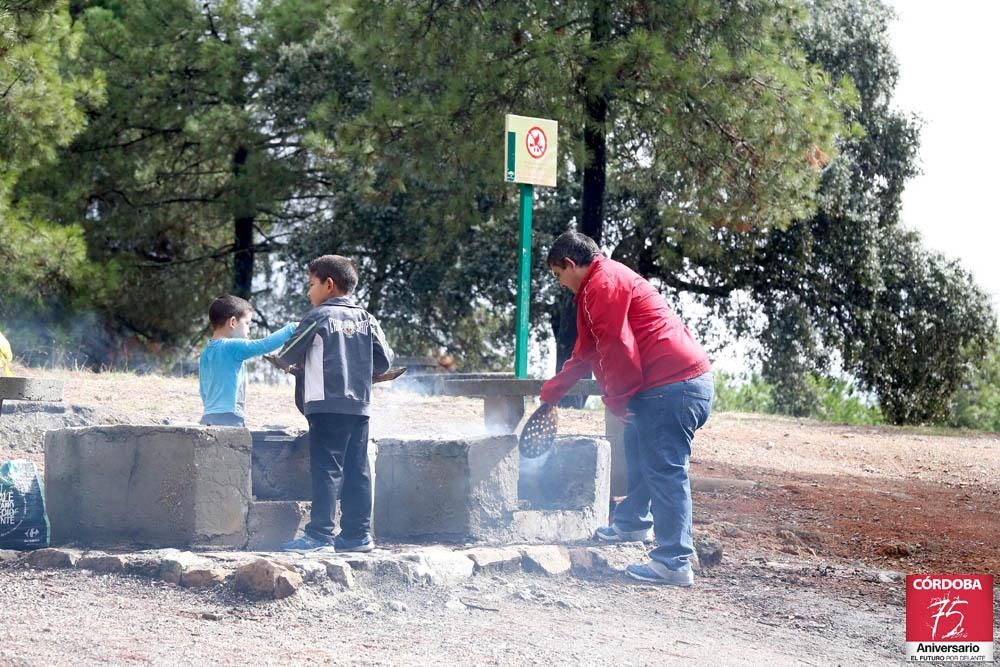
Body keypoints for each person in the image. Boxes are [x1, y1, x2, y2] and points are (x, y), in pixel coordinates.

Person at [540, 231, 714, 586]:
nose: (561, 284)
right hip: (676, 384)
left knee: (666, 470)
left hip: (674, 386)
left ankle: (674, 562)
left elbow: (618, 348)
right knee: (638, 446)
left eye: (559, 275)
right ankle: (633, 522)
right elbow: (586, 350)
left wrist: (617, 400)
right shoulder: (598, 286)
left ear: (571, 265)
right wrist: (552, 393)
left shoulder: (602, 284)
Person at [277, 255, 393, 553]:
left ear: (329, 284)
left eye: (311, 284)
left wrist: (291, 364)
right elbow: (384, 361)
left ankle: (319, 535)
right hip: (359, 405)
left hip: (326, 405)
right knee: (358, 468)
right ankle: (357, 536)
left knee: (327, 469)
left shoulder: (318, 317)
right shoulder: (367, 318)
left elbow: (287, 353)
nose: (308, 292)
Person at [198, 295, 297, 427]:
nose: (249, 330)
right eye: (247, 323)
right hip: (229, 417)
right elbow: (264, 345)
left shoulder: (205, 352)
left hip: (208, 416)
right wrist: (293, 327)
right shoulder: (230, 346)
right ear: (233, 322)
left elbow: (203, 390)